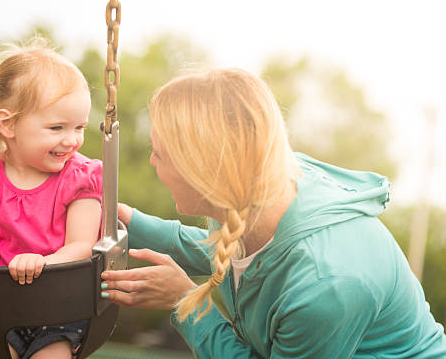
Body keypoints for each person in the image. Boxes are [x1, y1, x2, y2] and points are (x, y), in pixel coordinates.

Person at [100, 68, 446, 358]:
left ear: (200, 169)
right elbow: (230, 252)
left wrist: (185, 303)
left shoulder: (325, 286)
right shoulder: (255, 183)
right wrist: (129, 222)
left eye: (159, 153)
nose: (151, 161)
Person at [0, 37, 102, 359]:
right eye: (57, 127)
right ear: (8, 123)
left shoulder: (82, 176)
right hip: (0, 308)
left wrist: (43, 262)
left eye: (79, 127)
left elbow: (82, 246)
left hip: (60, 311)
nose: (72, 140)